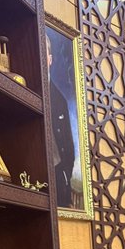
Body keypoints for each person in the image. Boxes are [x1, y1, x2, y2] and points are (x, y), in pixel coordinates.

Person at [46, 34, 75, 208]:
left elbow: (68, 147)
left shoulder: (59, 100)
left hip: (58, 173)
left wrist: (65, 176)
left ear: (50, 59)